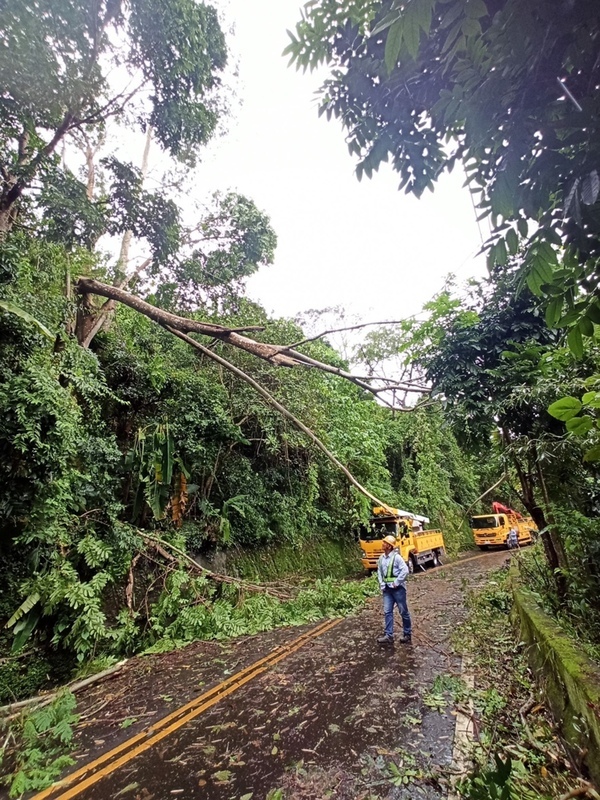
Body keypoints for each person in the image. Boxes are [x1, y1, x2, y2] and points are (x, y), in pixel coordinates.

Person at [376, 535, 412, 645]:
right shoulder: (381, 558)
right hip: (387, 590)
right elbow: (379, 572)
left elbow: (405, 570)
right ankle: (389, 635)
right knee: (387, 612)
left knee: (403, 611)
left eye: (385, 543)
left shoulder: (397, 558)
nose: (382, 544)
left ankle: (407, 634)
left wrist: (396, 582)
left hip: (398, 590)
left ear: (389, 546)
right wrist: (382, 584)